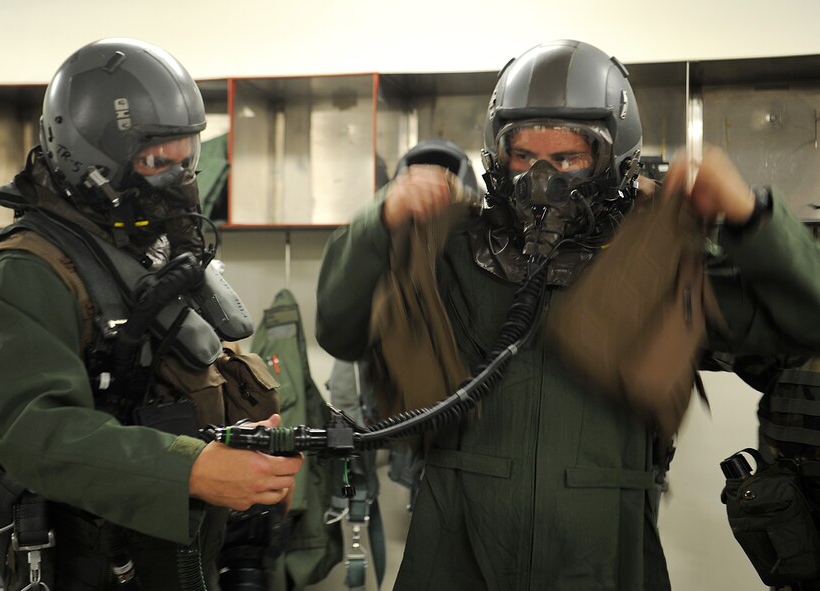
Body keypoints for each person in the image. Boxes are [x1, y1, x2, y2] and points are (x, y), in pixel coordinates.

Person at [315, 39, 820, 590]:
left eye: (569, 158)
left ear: (613, 160)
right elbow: (340, 331)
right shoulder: (452, 252)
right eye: (523, 156)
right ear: (496, 155)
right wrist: (379, 222)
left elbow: (805, 326)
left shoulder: (657, 260)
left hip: (604, 552)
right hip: (454, 545)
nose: (541, 177)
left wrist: (752, 219)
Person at [0, 38, 302, 590]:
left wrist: (237, 445)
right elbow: (31, 429)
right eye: (156, 161)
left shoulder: (145, 251)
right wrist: (192, 469)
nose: (179, 178)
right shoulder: (23, 271)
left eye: (187, 158)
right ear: (89, 158)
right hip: (92, 564)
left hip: (180, 552)